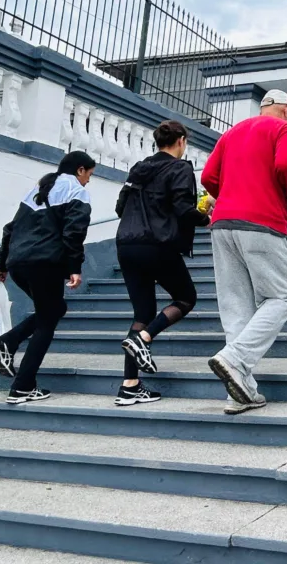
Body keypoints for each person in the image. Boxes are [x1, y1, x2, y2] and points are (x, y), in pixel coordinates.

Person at [201, 90, 287, 414]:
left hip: (223, 224)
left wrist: (232, 195)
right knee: (282, 298)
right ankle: (234, 359)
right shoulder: (285, 130)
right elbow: (286, 166)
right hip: (263, 223)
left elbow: (208, 177)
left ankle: (241, 393)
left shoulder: (232, 132)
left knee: (236, 308)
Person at [113, 120, 211, 406]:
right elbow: (181, 207)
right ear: (180, 140)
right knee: (186, 298)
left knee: (142, 311)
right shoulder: (180, 167)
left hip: (126, 244)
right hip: (156, 244)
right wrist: (206, 218)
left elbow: (120, 207)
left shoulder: (139, 168)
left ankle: (130, 386)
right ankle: (144, 337)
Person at [0, 151, 96, 404]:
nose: (89, 180)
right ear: (80, 170)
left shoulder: (39, 189)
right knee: (47, 321)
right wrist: (74, 267)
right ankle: (22, 385)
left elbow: (10, 229)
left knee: (54, 309)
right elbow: (74, 232)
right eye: (89, 174)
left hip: (19, 264)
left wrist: (2, 264)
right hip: (45, 264)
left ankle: (7, 343)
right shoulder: (76, 191)